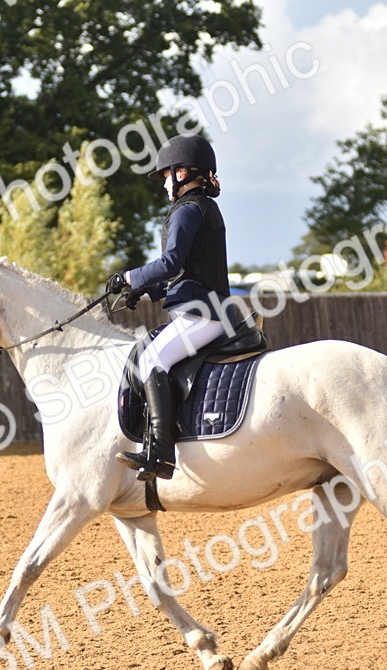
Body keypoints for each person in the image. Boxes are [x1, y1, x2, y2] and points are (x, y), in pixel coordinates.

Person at [107, 134, 239, 481]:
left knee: (151, 360)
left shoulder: (188, 210)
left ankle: (159, 453)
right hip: (205, 308)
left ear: (183, 173)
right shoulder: (201, 208)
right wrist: (146, 290)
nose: (165, 181)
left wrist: (129, 278)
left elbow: (170, 261)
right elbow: (186, 272)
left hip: (203, 314)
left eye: (168, 174)